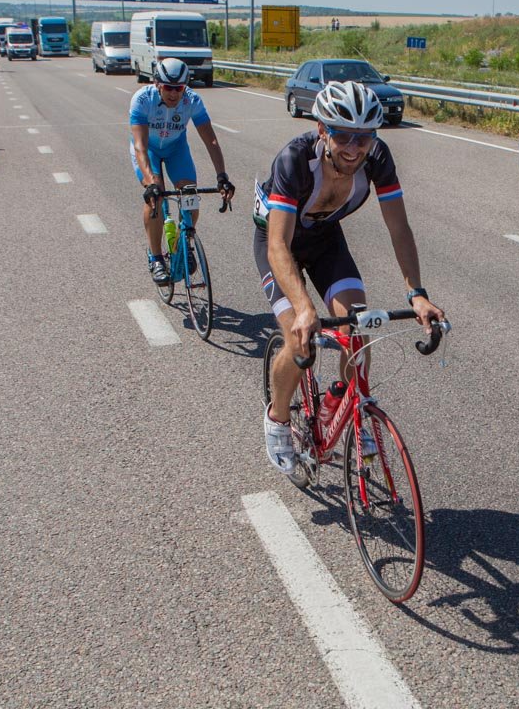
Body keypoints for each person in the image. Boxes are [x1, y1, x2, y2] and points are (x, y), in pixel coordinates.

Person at [256, 80, 445, 475]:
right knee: (298, 335)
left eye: (364, 137)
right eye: (342, 135)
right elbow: (277, 246)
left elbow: (399, 227)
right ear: (322, 130)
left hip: (325, 239)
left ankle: (347, 406)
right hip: (279, 242)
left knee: (356, 326)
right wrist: (304, 308)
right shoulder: (294, 159)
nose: (354, 148)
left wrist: (417, 293)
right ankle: (278, 419)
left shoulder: (378, 157)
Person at [131, 57, 234, 285]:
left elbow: (211, 141)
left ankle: (184, 242)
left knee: (190, 194)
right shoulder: (142, 100)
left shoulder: (192, 101)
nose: (173, 93)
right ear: (157, 84)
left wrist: (222, 176)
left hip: (176, 148)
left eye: (179, 88)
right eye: (168, 87)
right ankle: (156, 258)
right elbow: (140, 146)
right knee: (155, 197)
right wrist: (150, 183)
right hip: (149, 150)